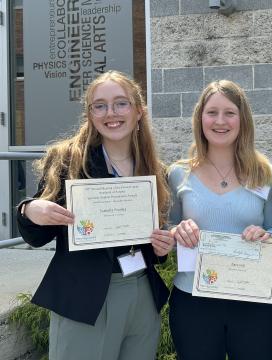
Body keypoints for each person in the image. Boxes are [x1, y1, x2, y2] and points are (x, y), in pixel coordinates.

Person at [16, 70, 174, 360]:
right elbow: (38, 235)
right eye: (99, 105)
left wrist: (161, 247)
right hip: (85, 298)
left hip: (141, 295)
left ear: (139, 111)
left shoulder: (152, 169)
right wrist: (30, 210)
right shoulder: (68, 161)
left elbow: (151, 245)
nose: (110, 113)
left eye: (120, 103)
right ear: (89, 114)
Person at [166, 79, 272, 360]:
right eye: (212, 112)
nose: (220, 121)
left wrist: (267, 236)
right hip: (193, 298)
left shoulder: (264, 173)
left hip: (253, 299)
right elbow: (167, 229)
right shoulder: (178, 174)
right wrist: (177, 231)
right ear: (200, 118)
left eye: (230, 113)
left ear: (243, 119)